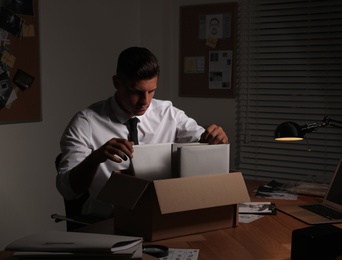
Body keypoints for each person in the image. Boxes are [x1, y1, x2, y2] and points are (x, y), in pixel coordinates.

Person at [56, 47, 229, 219]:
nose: (145, 101)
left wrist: (216, 139)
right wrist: (95, 158)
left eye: (151, 91)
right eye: (136, 92)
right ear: (117, 83)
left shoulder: (168, 113)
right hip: (108, 220)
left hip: (160, 215)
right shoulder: (86, 123)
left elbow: (203, 141)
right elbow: (67, 190)